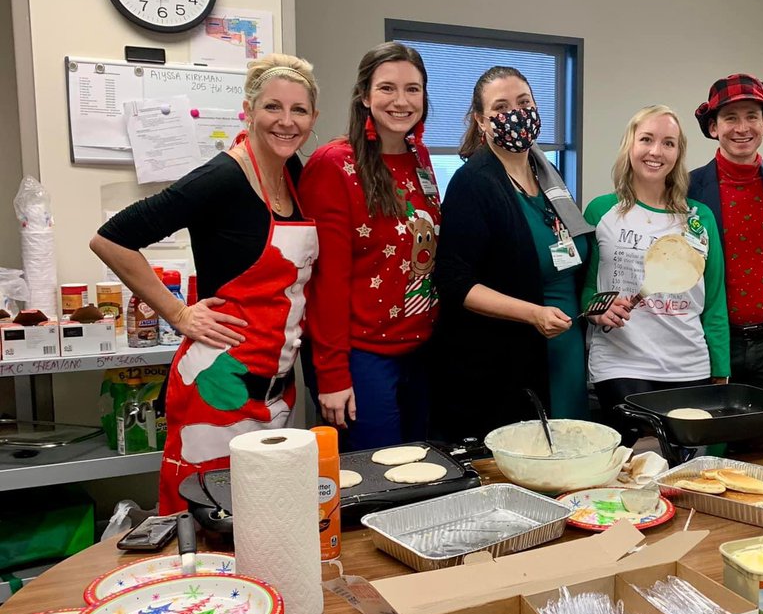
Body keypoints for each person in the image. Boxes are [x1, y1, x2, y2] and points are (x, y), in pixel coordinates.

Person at [91, 54, 319, 514]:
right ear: (249, 110)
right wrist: (177, 313)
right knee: (208, 519)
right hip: (217, 390)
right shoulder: (222, 177)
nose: (286, 122)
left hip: (274, 387)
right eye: (273, 107)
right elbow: (111, 240)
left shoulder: (295, 174)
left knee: (262, 519)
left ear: (313, 118)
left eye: (299, 110)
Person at [431, 66, 604, 442]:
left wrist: (595, 305)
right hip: (509, 360)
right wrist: (533, 314)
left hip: (565, 351)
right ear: (481, 120)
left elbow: (572, 254)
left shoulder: (548, 175)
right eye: (501, 106)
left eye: (524, 102)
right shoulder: (473, 183)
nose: (516, 114)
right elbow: (455, 282)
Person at [299, 43, 439, 449]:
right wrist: (332, 375)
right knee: (380, 481)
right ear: (364, 95)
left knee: (422, 476)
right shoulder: (333, 165)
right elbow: (325, 281)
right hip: (363, 356)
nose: (401, 101)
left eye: (413, 89)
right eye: (387, 89)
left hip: (419, 348)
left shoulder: (419, 156)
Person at [582, 105, 729, 431]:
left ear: (678, 153)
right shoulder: (601, 211)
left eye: (668, 143)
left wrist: (720, 365)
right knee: (641, 454)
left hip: (688, 364)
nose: (655, 151)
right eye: (646, 139)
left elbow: (715, 300)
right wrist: (596, 311)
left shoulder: (699, 218)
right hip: (620, 362)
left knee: (682, 464)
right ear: (630, 145)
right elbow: (588, 290)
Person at [689, 74, 763, 389]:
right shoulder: (688, 189)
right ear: (714, 128)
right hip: (711, 340)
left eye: (752, 116)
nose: (742, 128)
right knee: (714, 431)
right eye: (730, 118)